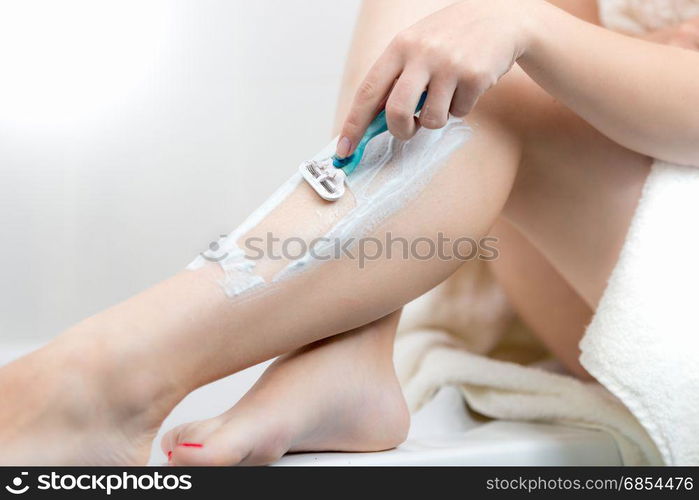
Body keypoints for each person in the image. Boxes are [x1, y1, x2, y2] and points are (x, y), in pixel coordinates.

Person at [1, 0, 698, 465]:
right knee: (455, 29)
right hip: (593, 259)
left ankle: (108, 377)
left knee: (498, 68)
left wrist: (529, 28)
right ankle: (348, 348)